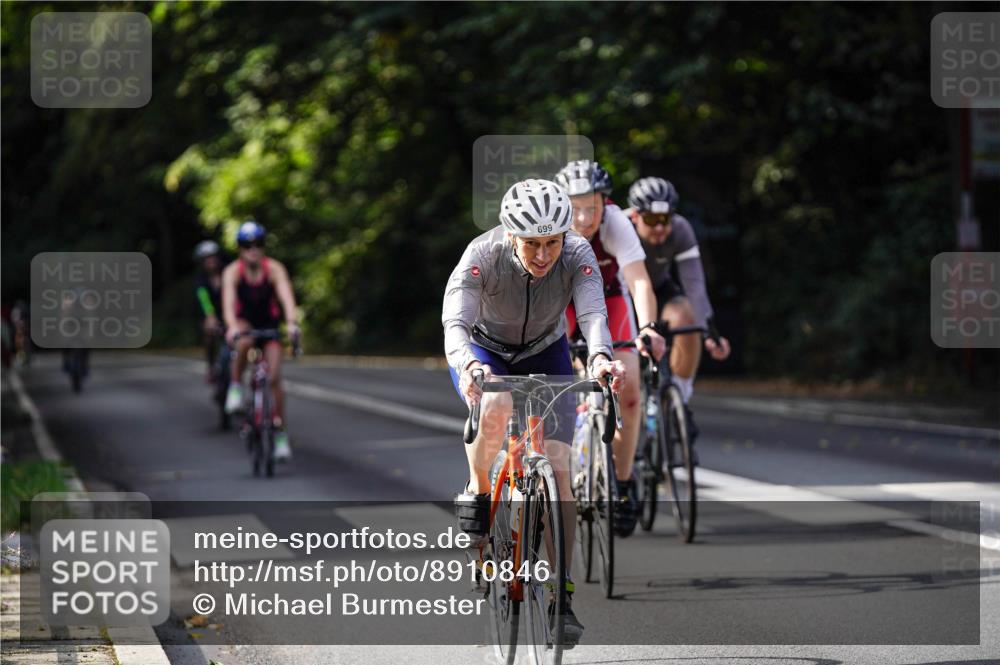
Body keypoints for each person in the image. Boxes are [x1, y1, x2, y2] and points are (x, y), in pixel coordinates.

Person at [443, 178, 626, 646]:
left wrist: (602, 357)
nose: (543, 255)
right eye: (532, 244)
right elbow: (456, 322)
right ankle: (480, 489)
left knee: (561, 467)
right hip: (484, 352)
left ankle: (560, 595)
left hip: (547, 351)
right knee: (498, 405)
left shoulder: (578, 252)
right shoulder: (481, 256)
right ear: (510, 235)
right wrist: (467, 367)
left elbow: (591, 315)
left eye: (551, 242)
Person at [555, 159, 666, 538]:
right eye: (576, 207)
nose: (585, 218)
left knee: (630, 389)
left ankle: (621, 482)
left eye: (593, 207)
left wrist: (649, 327)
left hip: (608, 300)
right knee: (557, 382)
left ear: (606, 202)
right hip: (563, 303)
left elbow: (638, 282)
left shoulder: (616, 224)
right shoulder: (551, 225)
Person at [626, 177, 732, 451]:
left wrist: (709, 331)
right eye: (651, 220)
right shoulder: (619, 228)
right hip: (622, 293)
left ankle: (679, 403)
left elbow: (694, 285)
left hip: (660, 290)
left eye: (666, 218)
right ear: (635, 215)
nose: (660, 227)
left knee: (686, 317)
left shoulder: (681, 229)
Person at [222, 220, 300, 462]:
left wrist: (292, 323)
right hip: (246, 324)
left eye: (259, 244)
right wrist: (232, 326)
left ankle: (280, 436)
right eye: (247, 245)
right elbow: (228, 303)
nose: (253, 249)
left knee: (275, 379)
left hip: (269, 327)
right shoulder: (233, 272)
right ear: (240, 248)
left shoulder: (274, 269)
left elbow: (287, 298)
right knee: (244, 341)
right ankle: (235, 387)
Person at [193, 240, 225, 382]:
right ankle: (211, 365)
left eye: (213, 256)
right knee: (209, 332)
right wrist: (210, 315)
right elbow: (203, 299)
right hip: (211, 316)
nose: (210, 260)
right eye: (206, 258)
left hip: (229, 314)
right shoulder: (201, 279)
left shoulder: (228, 273)